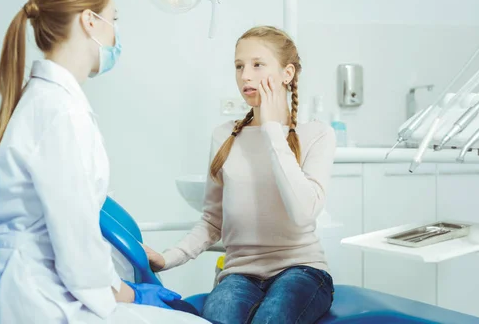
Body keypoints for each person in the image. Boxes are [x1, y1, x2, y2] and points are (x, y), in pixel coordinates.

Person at [0, 0, 208, 324]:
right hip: (38, 299)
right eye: (113, 18)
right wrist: (129, 293)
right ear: (89, 21)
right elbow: (76, 246)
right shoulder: (60, 112)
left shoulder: (41, 101)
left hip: (27, 287)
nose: (116, 32)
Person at [144, 26, 336, 323]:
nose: (245, 75)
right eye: (239, 66)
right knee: (218, 317)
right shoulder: (224, 136)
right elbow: (212, 220)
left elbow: (303, 212)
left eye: (257, 65)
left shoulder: (317, 134)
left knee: (271, 318)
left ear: (287, 74)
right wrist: (168, 258)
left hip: (302, 270)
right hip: (239, 274)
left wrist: (273, 130)